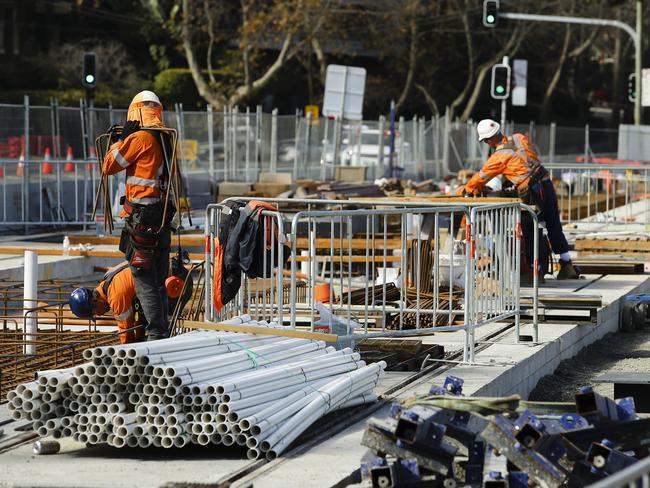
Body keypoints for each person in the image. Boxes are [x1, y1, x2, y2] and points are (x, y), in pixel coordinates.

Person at [460, 119, 580, 280]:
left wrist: (467, 190)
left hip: (531, 191)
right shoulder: (519, 137)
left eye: (486, 141)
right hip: (545, 182)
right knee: (552, 223)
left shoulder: (498, 157)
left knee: (530, 226)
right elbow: (523, 161)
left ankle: (534, 271)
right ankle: (567, 265)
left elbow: (480, 178)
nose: (487, 144)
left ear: (489, 140)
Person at [102, 90, 174, 340]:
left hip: (142, 219)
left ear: (136, 112)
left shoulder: (141, 138)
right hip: (162, 218)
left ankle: (156, 336)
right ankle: (163, 333)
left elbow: (109, 166)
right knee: (158, 280)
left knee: (144, 280)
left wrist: (120, 140)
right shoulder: (165, 138)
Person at [69, 263, 145, 344]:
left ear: (95, 301)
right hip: (153, 275)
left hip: (157, 282)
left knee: (155, 331)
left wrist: (126, 350)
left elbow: (125, 330)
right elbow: (137, 313)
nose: (99, 315)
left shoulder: (115, 296)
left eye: (94, 313)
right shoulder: (108, 280)